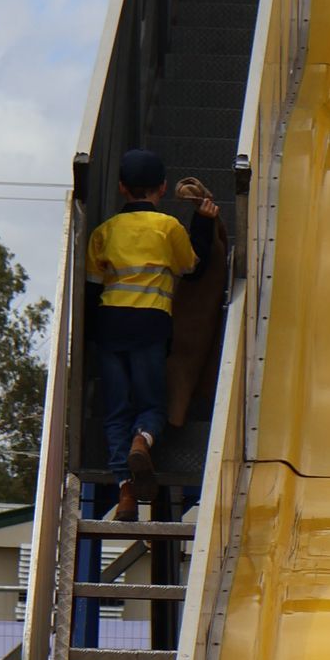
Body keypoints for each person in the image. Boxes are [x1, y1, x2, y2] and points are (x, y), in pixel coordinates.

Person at [85, 152, 220, 518]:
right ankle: (142, 440)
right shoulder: (168, 227)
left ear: (121, 188)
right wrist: (204, 223)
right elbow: (193, 268)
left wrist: (89, 340)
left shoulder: (105, 231)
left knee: (115, 411)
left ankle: (125, 490)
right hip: (151, 325)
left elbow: (92, 289)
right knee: (150, 404)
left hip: (110, 325)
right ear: (163, 187)